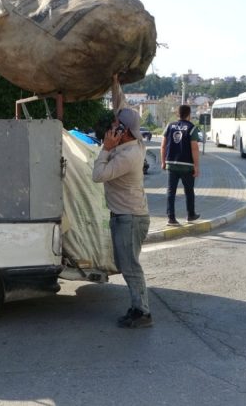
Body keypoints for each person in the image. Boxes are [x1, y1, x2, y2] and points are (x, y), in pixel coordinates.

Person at [92, 107, 152, 328]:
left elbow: (98, 175)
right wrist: (116, 83)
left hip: (130, 217)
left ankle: (142, 312)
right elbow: (123, 107)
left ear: (124, 131)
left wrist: (106, 148)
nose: (112, 127)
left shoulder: (128, 155)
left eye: (116, 125)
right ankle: (138, 306)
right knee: (126, 264)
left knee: (130, 266)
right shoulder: (131, 143)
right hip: (128, 215)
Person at [160, 104, 201, 226]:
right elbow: (194, 148)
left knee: (171, 191)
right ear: (189, 114)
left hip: (171, 164)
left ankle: (171, 218)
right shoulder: (192, 128)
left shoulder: (170, 126)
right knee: (189, 191)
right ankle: (191, 215)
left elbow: (163, 145)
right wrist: (196, 166)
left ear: (177, 114)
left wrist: (163, 161)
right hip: (187, 165)